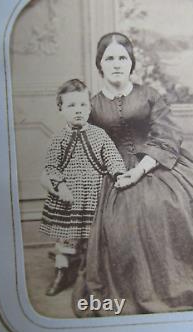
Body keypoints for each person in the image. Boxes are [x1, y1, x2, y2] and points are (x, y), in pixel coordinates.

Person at [72, 32, 193, 316]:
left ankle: (179, 282)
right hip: (113, 171)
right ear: (100, 65)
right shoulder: (92, 105)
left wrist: (140, 170)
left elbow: (167, 135)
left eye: (123, 58)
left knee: (171, 206)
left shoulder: (150, 95)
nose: (117, 64)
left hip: (158, 165)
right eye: (110, 58)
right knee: (124, 217)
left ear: (131, 63)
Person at [39, 78, 126, 296]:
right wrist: (60, 187)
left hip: (93, 197)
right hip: (67, 200)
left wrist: (118, 173)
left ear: (89, 107)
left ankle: (89, 275)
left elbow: (112, 157)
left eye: (82, 105)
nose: (78, 111)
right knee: (66, 239)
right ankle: (61, 272)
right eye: (71, 106)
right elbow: (51, 167)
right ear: (60, 109)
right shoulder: (58, 139)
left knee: (92, 240)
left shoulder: (99, 135)